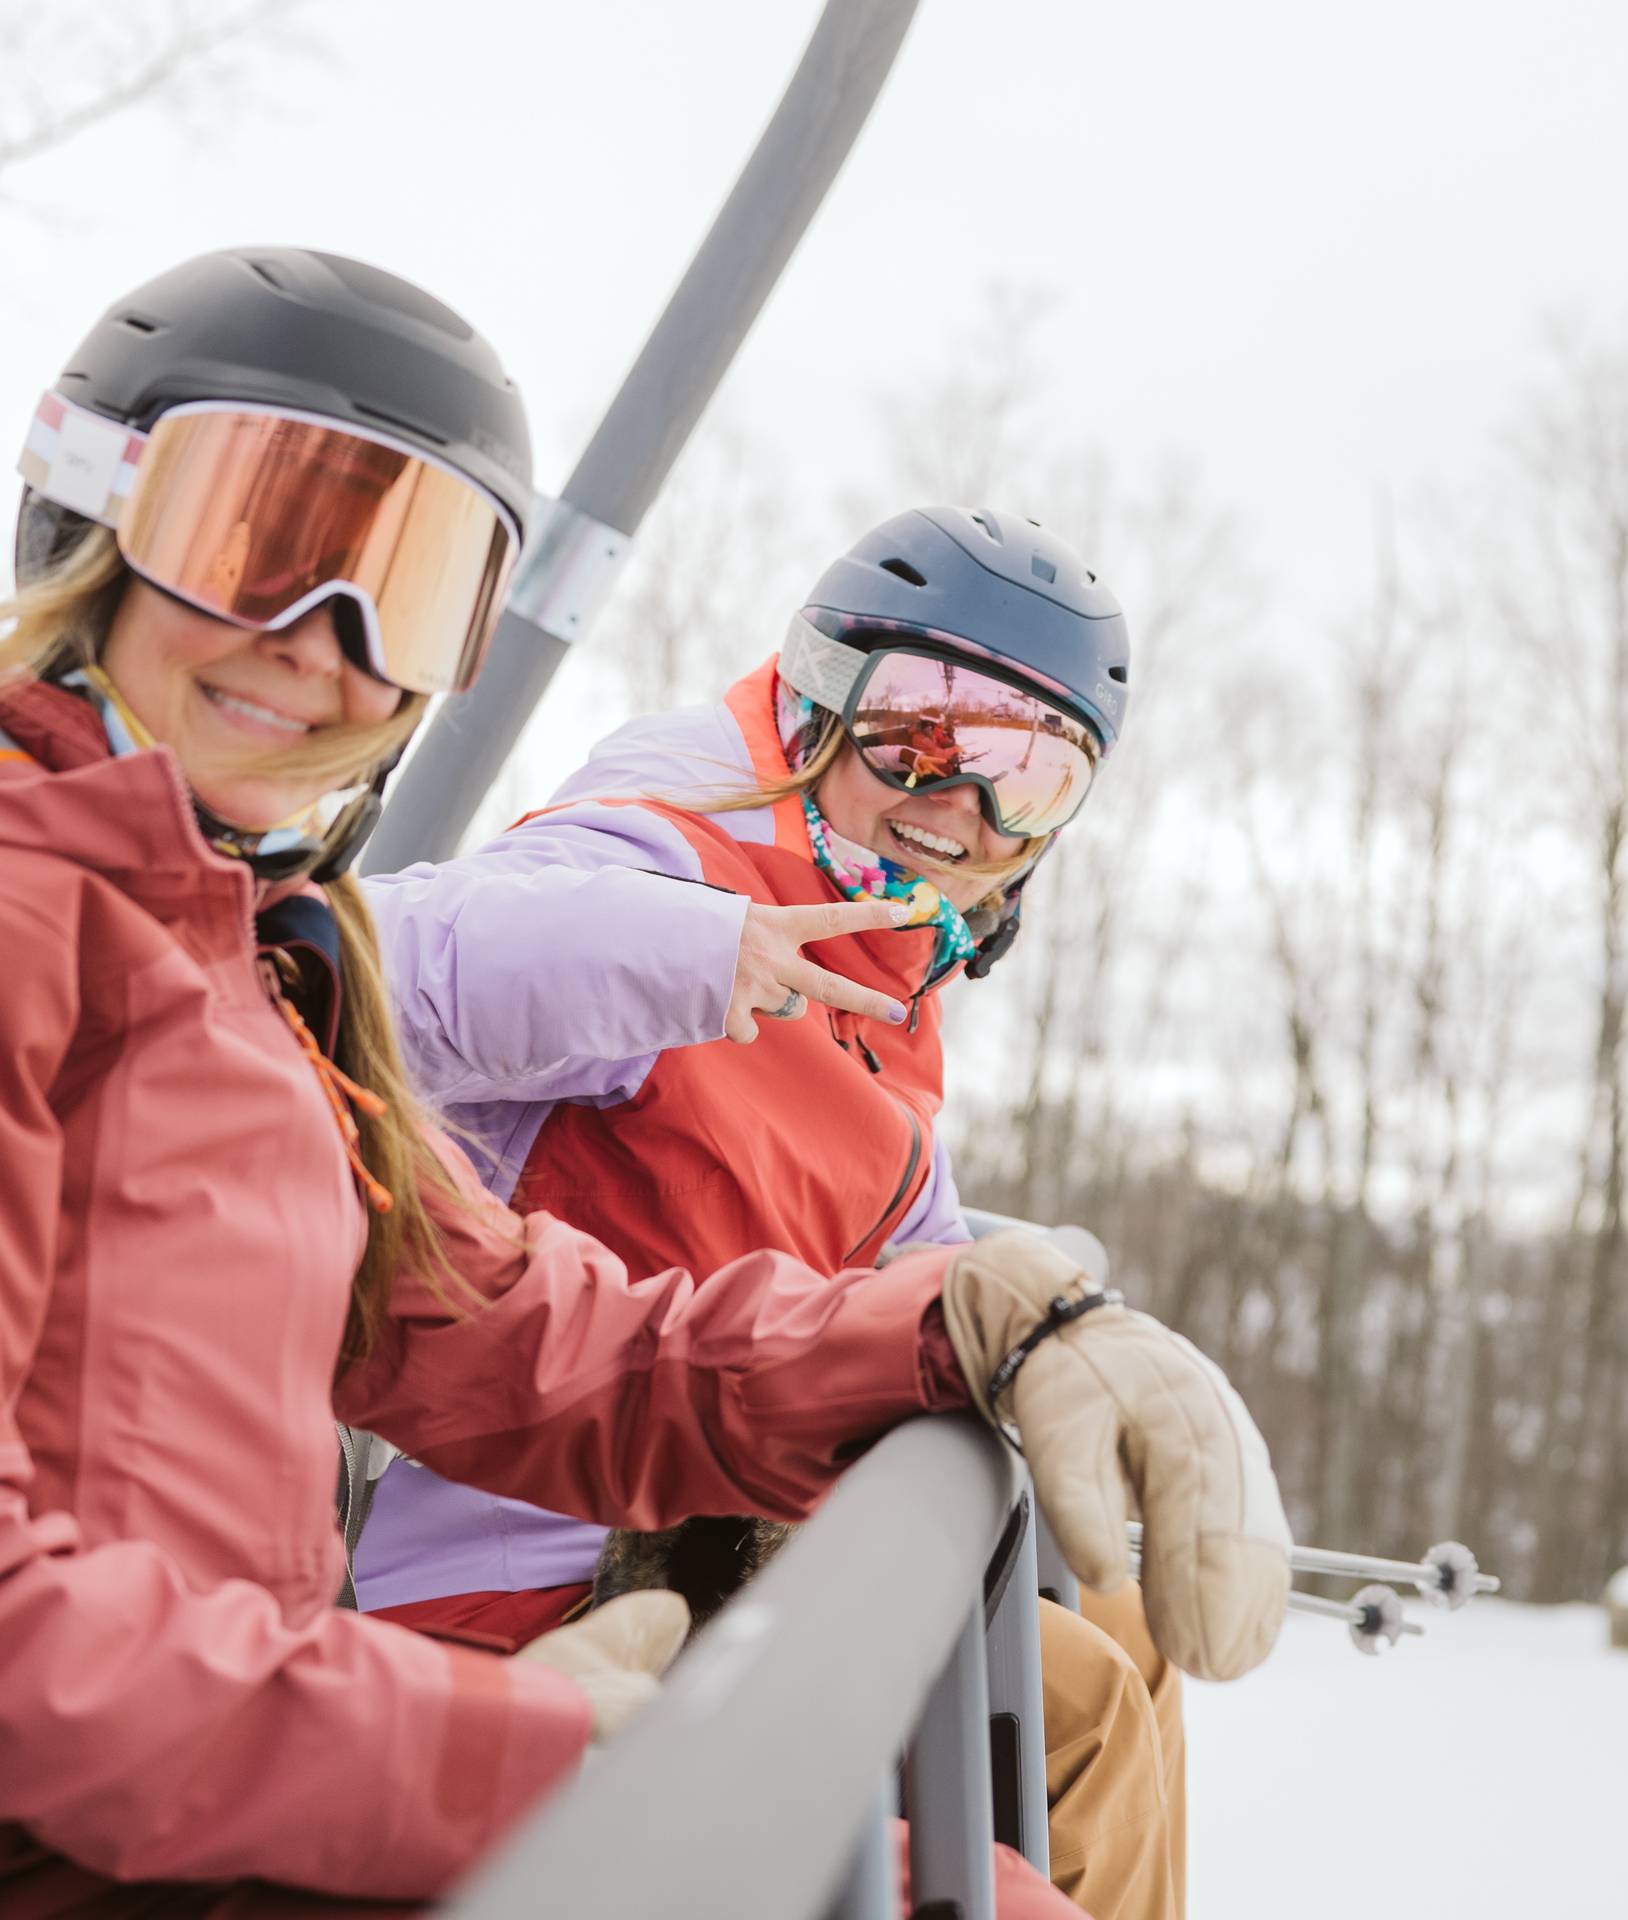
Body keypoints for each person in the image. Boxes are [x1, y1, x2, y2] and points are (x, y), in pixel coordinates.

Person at [0, 249, 1294, 1919]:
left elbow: (523, 1345)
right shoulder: (58, 935)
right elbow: (487, 945)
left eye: (411, 588)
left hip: (232, 1797)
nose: (324, 647)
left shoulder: (249, 974)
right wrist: (499, 1748)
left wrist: (957, 1323)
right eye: (258, 540)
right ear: (86, 508)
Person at [356, 508, 1229, 1919]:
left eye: (1030, 777)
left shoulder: (884, 991)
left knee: (1129, 1628)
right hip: (549, 1582)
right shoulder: (664, 855)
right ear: (819, 699)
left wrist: (1052, 1329)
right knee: (1082, 1711)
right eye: (920, 737)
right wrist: (677, 940)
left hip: (730, 1540)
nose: (964, 808)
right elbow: (387, 965)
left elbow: (909, 1246)